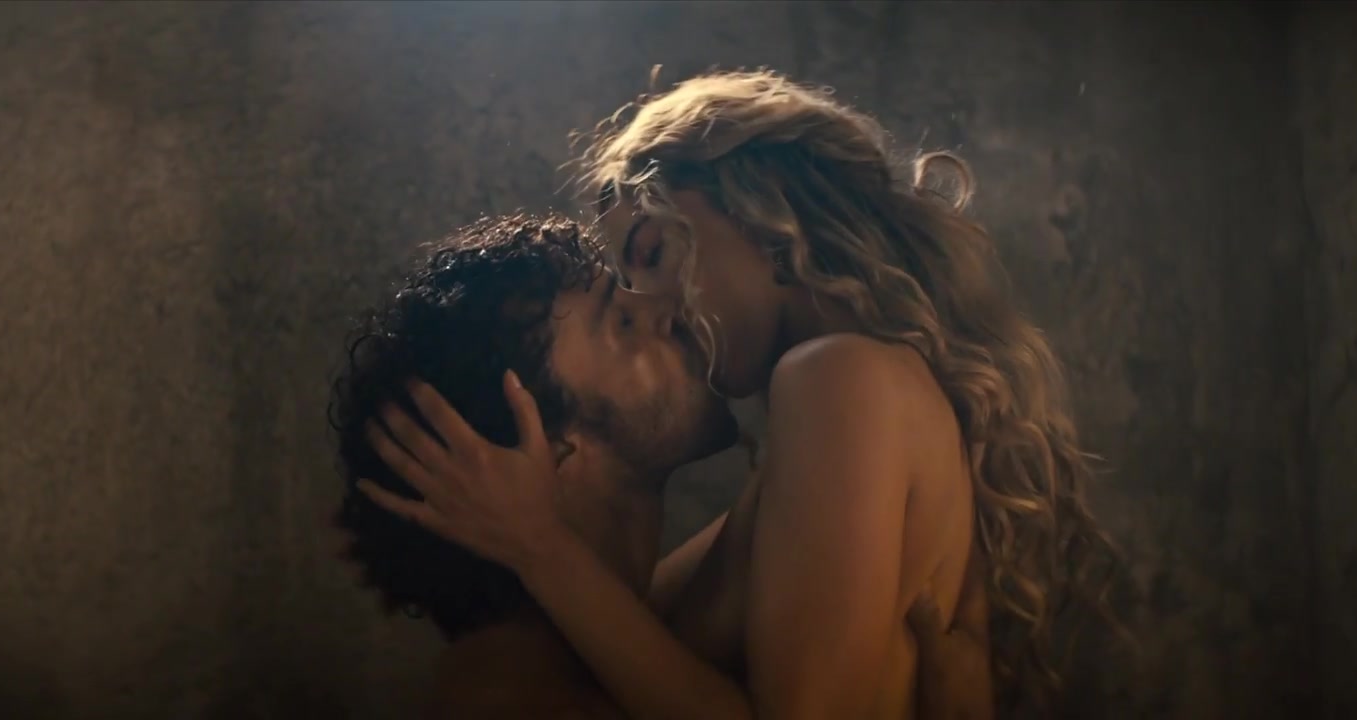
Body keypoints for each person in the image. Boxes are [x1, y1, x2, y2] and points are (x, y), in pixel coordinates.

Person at [359, 70, 1121, 719]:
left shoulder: (838, 376)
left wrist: (541, 549)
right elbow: (617, 638)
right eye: (627, 292)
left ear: (764, 213)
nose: (656, 305)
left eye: (651, 253)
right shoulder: (839, 416)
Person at [334, 214, 990, 718]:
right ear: (549, 454)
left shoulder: (632, 627)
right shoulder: (520, 701)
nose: (667, 306)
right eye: (622, 323)